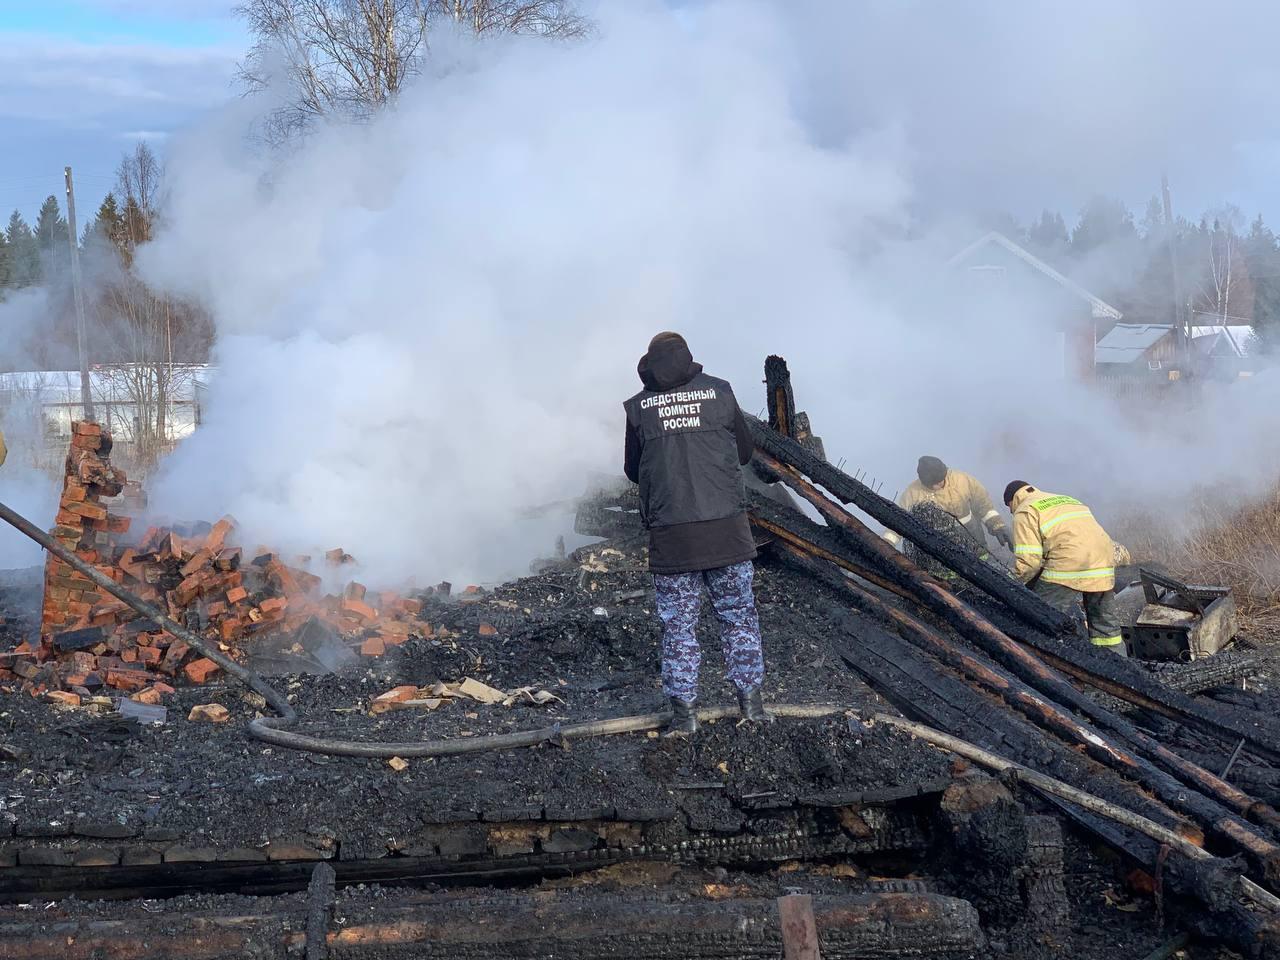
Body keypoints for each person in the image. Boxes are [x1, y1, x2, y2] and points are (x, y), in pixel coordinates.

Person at [624, 332, 766, 736]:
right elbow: (743, 452)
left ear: (648, 363)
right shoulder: (720, 392)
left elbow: (634, 470)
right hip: (727, 530)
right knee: (739, 618)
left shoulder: (639, 408)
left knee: (679, 627)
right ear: (688, 357)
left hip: (673, 536)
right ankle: (752, 708)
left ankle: (685, 717)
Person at [1003, 481, 1127, 656]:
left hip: (1068, 563)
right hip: (1102, 560)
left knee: (1041, 616)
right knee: (1106, 626)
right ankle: (1121, 669)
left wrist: (1009, 582)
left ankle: (1046, 664)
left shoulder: (1024, 510)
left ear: (1012, 500)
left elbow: (1029, 562)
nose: (1010, 511)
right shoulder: (1065, 500)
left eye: (1009, 507)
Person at [882, 457, 1013, 557]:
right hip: (940, 554)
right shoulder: (912, 494)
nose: (939, 485)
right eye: (934, 484)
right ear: (923, 481)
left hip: (975, 546)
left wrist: (997, 525)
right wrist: (886, 544)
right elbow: (899, 521)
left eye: (941, 480)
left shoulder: (962, 481)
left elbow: (983, 505)